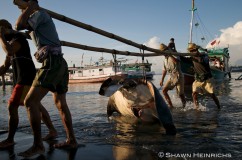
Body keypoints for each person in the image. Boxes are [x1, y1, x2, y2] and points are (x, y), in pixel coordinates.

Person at [14, 0, 77, 157]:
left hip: (52, 63)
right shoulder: (38, 17)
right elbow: (22, 29)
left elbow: (18, 26)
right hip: (59, 62)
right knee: (60, 104)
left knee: (30, 102)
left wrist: (30, 6)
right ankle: (72, 140)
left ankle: (38, 145)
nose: (19, 7)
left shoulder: (40, 14)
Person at [0, 19, 57, 148]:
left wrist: (0, 36)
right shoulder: (11, 43)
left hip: (24, 78)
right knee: (37, 106)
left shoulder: (18, 38)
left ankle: (10, 139)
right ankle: (52, 131)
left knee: (12, 106)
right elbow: (4, 66)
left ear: (5, 28)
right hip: (26, 78)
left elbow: (9, 51)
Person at [187, 43, 220, 109]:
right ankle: (197, 107)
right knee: (194, 93)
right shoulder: (192, 58)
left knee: (212, 94)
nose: (191, 52)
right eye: (190, 51)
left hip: (207, 79)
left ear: (196, 50)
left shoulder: (205, 56)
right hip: (198, 79)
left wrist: (197, 56)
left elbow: (203, 61)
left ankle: (219, 107)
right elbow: (183, 59)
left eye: (192, 51)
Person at [159, 43, 186, 108]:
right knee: (164, 91)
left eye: (164, 51)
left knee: (181, 94)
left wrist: (170, 55)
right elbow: (164, 70)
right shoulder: (165, 60)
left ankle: (184, 106)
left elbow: (176, 61)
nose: (163, 54)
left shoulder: (174, 54)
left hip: (179, 76)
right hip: (171, 77)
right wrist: (162, 80)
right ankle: (171, 106)